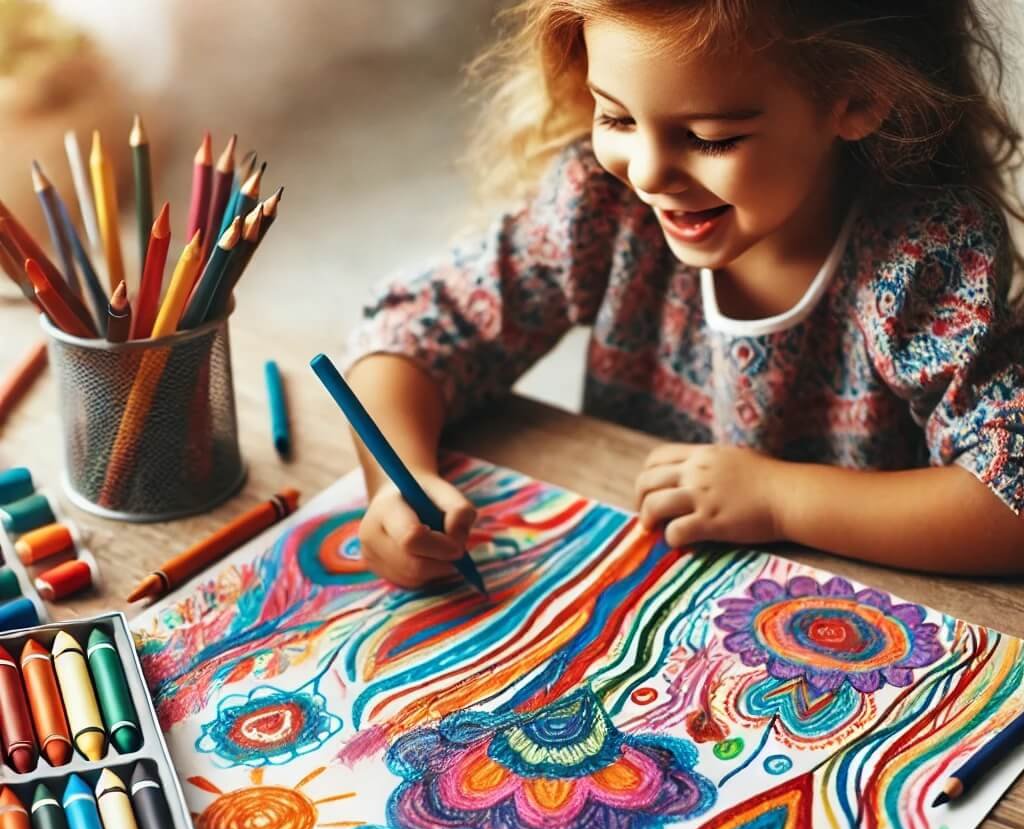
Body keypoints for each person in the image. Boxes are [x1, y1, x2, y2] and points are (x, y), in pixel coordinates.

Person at [343, 0, 1024, 587]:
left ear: (858, 100)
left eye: (709, 138)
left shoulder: (922, 259)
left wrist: (780, 500)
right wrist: (396, 484)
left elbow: (1010, 500)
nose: (648, 171)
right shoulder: (603, 210)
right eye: (616, 119)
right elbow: (410, 334)